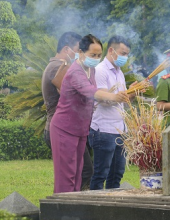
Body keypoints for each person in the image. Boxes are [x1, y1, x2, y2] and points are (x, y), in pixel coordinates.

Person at [50, 34, 129, 194]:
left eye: (99, 55)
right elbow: (91, 91)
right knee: (67, 177)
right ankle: (62, 212)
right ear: (80, 53)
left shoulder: (91, 69)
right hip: (64, 129)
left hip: (80, 130)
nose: (97, 58)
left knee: (78, 175)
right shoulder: (75, 72)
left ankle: (74, 211)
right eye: (93, 55)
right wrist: (113, 96)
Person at [41, 32, 94, 191]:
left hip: (69, 128)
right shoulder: (57, 67)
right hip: (62, 128)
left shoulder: (62, 67)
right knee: (76, 174)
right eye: (79, 50)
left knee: (80, 172)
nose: (81, 55)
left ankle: (75, 208)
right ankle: (69, 208)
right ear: (66, 49)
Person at [89, 36, 137, 190]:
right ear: (111, 50)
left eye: (127, 54)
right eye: (123, 53)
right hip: (104, 129)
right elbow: (102, 98)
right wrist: (119, 96)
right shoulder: (100, 71)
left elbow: (120, 99)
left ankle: (113, 208)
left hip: (120, 130)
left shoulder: (119, 72)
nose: (125, 57)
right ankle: (96, 209)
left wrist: (133, 92)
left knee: (117, 174)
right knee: (100, 174)